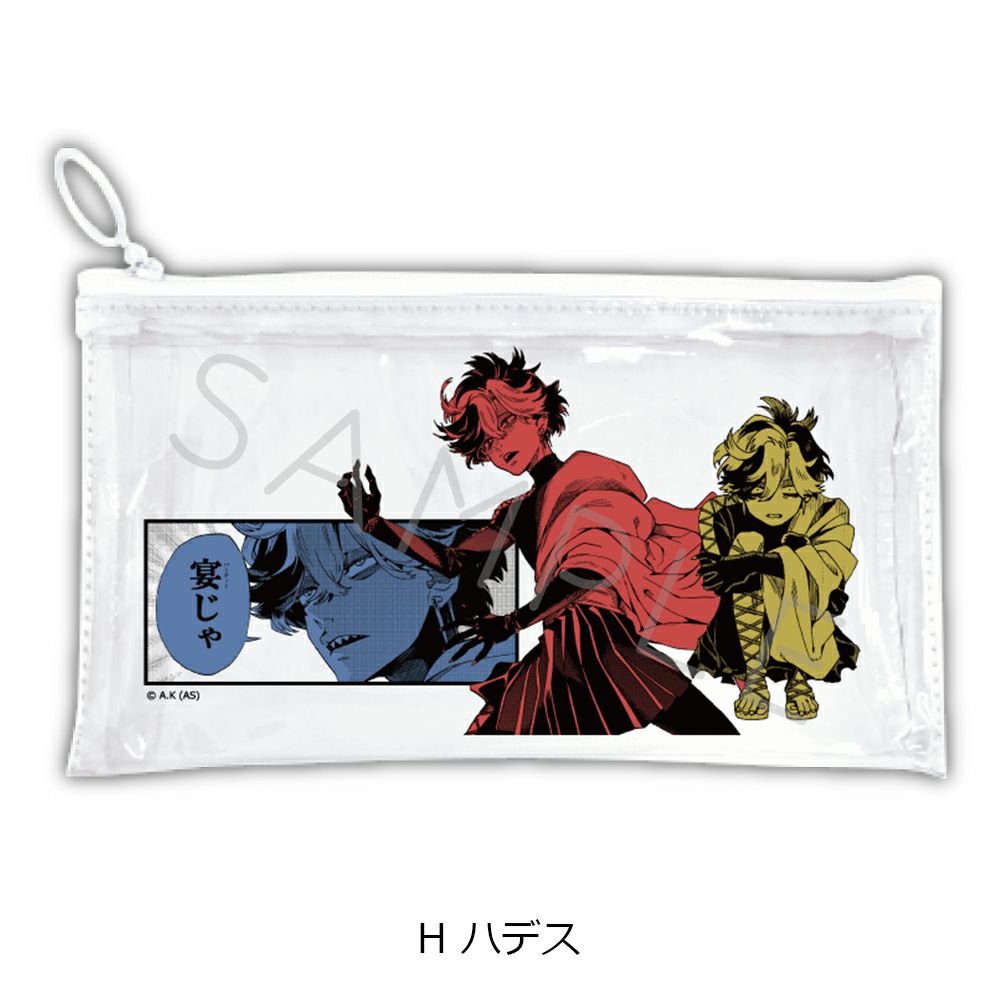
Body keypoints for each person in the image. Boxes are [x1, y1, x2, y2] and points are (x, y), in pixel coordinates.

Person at [337, 349, 737, 735]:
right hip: (564, 648)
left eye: (504, 425)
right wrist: (376, 526)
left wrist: (513, 622)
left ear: (539, 417)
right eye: (486, 444)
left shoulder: (590, 478)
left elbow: (589, 572)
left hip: (602, 643)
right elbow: (452, 560)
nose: (498, 447)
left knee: (705, 733)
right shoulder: (518, 512)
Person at [688, 397, 859, 721]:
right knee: (749, 542)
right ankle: (754, 679)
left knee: (800, 566)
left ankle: (798, 678)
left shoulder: (827, 512)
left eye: (790, 492)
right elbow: (715, 575)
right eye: (759, 493)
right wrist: (751, 562)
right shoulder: (721, 513)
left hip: (809, 627)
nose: (775, 504)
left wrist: (761, 563)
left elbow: (831, 570)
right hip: (740, 630)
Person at [236, 520, 511, 682]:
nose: (320, 612)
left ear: (438, 576)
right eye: (306, 593)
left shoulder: (492, 674)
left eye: (355, 568)